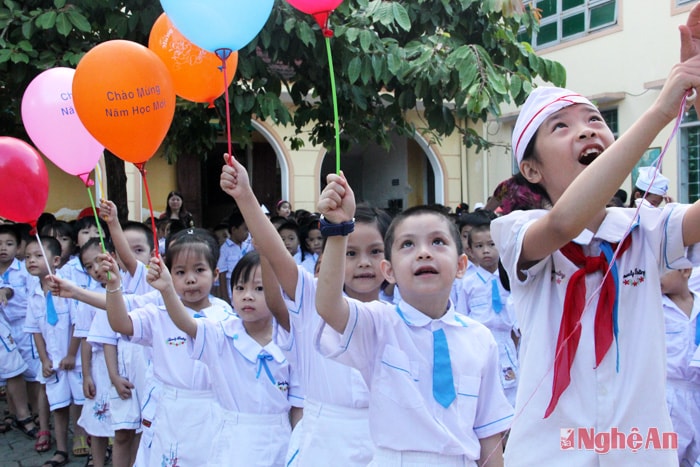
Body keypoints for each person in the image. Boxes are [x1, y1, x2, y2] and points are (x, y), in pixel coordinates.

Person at [489, 23, 700, 464]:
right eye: (561, 127)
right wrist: (660, 111)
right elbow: (565, 223)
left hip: (640, 453)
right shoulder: (515, 230)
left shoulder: (646, 227)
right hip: (550, 455)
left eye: (595, 120)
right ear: (531, 170)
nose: (586, 131)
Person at [314, 175, 513, 466]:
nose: (423, 252)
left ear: (460, 265)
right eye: (407, 244)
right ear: (389, 271)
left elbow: (489, 432)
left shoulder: (480, 339)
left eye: (438, 241)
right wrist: (338, 229)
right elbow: (329, 306)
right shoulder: (379, 324)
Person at [220, 154, 389, 466]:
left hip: (383, 443)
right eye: (350, 253)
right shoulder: (312, 302)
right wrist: (245, 195)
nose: (364, 263)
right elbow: (274, 251)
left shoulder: (400, 319)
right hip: (321, 445)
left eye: (375, 251)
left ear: (389, 263)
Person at [149, 250, 301, 466]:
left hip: (279, 439)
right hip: (233, 439)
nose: (247, 295)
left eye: (259, 288)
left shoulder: (289, 342)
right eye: (240, 288)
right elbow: (187, 323)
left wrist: (299, 448)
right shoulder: (220, 334)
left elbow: (298, 407)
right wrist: (167, 290)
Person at [102, 228, 230, 466]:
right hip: (170, 410)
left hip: (213, 411)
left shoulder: (227, 316)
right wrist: (114, 286)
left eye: (199, 270)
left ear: (216, 274)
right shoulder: (157, 313)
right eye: (180, 272)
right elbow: (120, 323)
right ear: (169, 275)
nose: (190, 279)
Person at [24, 236, 86, 467]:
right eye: (29, 256)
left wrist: (71, 354)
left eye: (39, 256)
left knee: (79, 401)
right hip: (52, 362)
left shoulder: (67, 289)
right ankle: (61, 448)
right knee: (57, 405)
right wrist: (44, 359)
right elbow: (35, 331)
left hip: (74, 360)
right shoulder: (34, 295)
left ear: (56, 260)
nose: (32, 260)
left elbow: (77, 325)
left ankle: (81, 435)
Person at [455, 222, 519, 407]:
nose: (486, 251)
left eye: (492, 244)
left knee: (511, 387)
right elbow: (462, 316)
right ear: (470, 250)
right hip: (479, 342)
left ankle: (510, 431)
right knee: (484, 388)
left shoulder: (510, 279)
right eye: (479, 246)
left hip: (506, 342)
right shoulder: (467, 283)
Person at [0, 224, 42, 446]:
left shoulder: (24, 269)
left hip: (24, 326)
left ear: (17, 247)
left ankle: (36, 412)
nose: (3, 249)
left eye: (8, 244)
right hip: (2, 328)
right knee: (11, 371)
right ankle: (18, 413)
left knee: (32, 371)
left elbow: (30, 297)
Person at [74, 239, 115, 467]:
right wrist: (87, 374)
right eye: (89, 267)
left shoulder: (127, 290)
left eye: (99, 261)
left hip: (126, 364)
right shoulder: (87, 299)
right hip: (100, 368)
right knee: (97, 422)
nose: (96, 270)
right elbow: (85, 341)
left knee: (123, 426)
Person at [660, 267, 700, 466]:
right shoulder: (656, 307)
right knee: (667, 455)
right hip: (667, 396)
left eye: (662, 270)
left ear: (685, 270)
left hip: (696, 396)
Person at [217, 211, 253, 303]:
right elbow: (222, 274)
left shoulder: (249, 245)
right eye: (245, 229)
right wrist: (226, 298)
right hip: (232, 292)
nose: (247, 233)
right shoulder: (225, 249)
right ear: (234, 230)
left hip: (249, 289)